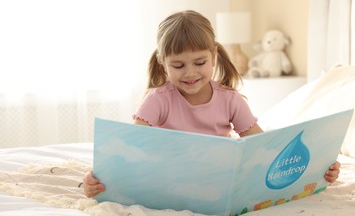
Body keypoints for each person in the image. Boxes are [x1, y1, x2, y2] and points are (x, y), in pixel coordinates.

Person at [83, 10, 340, 198]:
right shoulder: (157, 99)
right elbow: (130, 146)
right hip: (168, 180)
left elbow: (263, 147)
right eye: (178, 65)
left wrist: (317, 169)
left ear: (214, 56)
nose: (190, 73)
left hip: (218, 181)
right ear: (163, 62)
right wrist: (97, 178)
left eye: (200, 62)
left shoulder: (230, 99)